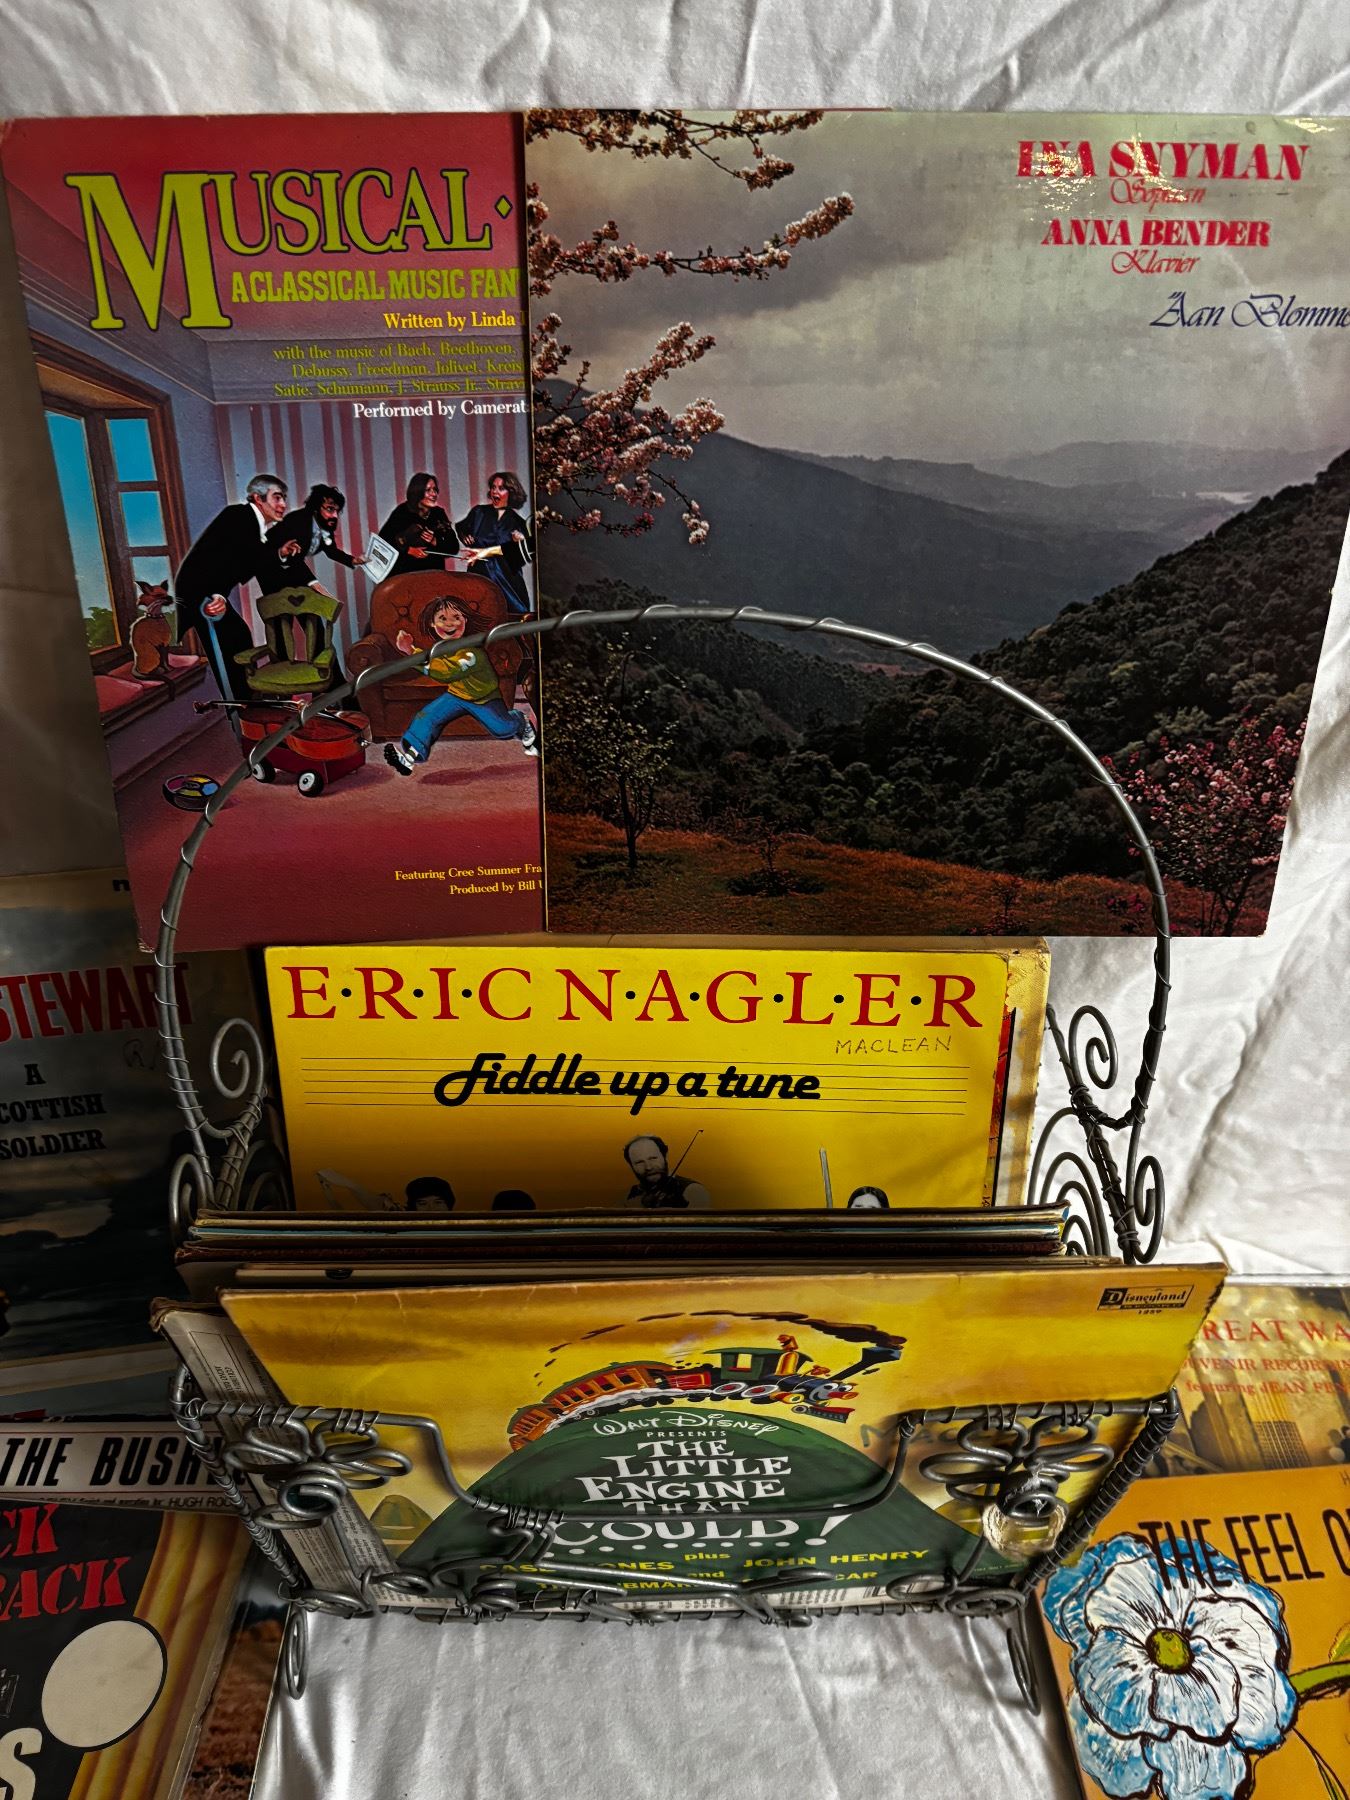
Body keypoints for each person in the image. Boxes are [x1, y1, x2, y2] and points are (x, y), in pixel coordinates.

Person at [173, 473, 299, 699]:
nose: (283, 505)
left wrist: (280, 552)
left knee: (239, 636)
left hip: (209, 587)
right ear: (258, 498)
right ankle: (240, 703)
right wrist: (217, 595)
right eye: (277, 498)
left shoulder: (250, 522)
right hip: (199, 588)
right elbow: (214, 560)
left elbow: (247, 560)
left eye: (284, 499)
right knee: (226, 644)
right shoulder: (239, 516)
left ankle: (246, 697)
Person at [383, 593, 537, 775]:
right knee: (425, 718)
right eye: (442, 618)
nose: (450, 623)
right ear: (432, 623)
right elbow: (437, 663)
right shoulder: (441, 648)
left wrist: (411, 652)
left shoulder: (472, 654)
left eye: (456, 617)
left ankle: (520, 720)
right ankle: (408, 759)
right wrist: (413, 651)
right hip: (456, 694)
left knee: (502, 729)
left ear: (465, 621)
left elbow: (446, 672)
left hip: (483, 698)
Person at [258, 483, 367, 597]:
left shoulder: (324, 524)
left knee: (307, 605)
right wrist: (314, 584)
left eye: (337, 511)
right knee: (281, 604)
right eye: (330, 509)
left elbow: (331, 550)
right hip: (268, 564)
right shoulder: (298, 521)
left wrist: (353, 560)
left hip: (291, 566)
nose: (335, 516)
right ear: (316, 508)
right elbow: (295, 558)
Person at [456, 470, 534, 616]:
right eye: (493, 487)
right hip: (479, 577)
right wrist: (465, 536)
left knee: (515, 617)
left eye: (501, 488)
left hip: (508, 582)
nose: (494, 491)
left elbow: (524, 554)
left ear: (511, 493)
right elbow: (460, 527)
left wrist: (519, 543)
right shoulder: (479, 512)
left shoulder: (518, 523)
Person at [378, 472, 459, 576]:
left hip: (434, 575)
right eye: (428, 490)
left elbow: (454, 548)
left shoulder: (439, 513)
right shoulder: (402, 512)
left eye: (435, 490)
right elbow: (383, 543)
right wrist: (409, 551)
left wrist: (434, 541)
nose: (434, 494)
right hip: (407, 575)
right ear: (417, 492)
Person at [622, 1135, 711, 1210]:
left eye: (653, 1158)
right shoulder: (631, 1194)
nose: (648, 1167)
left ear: (664, 1156)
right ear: (631, 1165)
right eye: (639, 1162)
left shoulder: (692, 1190)